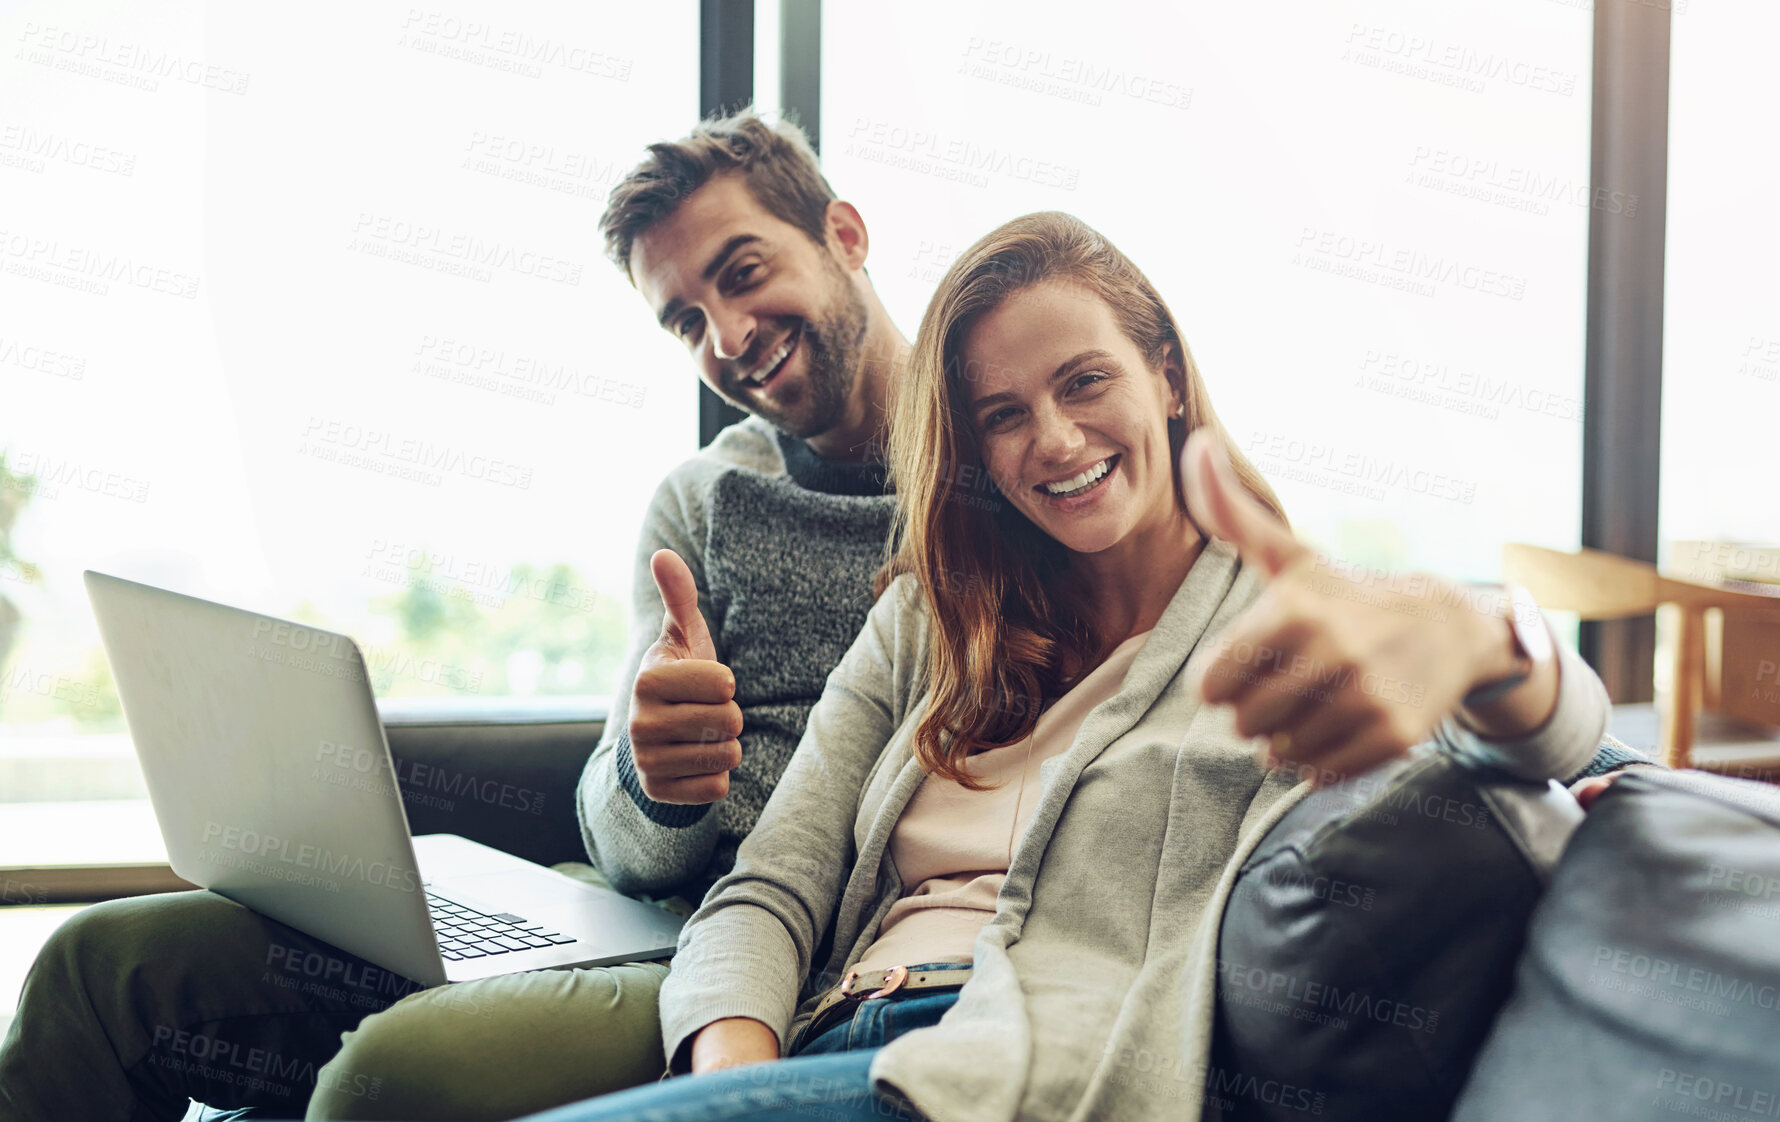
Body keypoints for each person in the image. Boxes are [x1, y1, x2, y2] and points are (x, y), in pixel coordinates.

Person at [506, 211, 1613, 1122]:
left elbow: (1550, 737)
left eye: (1085, 382)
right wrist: (735, 1079)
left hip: (1016, 1073)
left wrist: (1477, 637)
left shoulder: (1291, 626)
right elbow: (771, 888)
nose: (1054, 439)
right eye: (1003, 416)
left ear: (1167, 377)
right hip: (824, 1043)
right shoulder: (925, 623)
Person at [0, 111, 914, 1122]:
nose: (729, 339)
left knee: (387, 1075)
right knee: (100, 965)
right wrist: (656, 786)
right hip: (617, 912)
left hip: (755, 957)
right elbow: (616, 844)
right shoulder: (701, 498)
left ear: (845, 235)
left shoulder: (1003, 473)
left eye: (742, 274)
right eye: (686, 321)